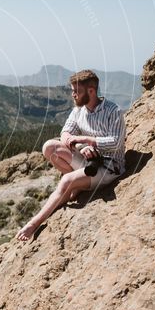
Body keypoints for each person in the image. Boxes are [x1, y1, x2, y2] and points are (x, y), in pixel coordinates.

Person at [15, 69, 126, 241]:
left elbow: (117, 142)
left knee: (66, 181)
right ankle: (76, 185)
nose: (73, 94)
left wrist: (88, 140)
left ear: (91, 91)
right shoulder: (78, 111)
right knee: (49, 147)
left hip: (109, 166)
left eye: (77, 91)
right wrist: (81, 146)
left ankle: (34, 223)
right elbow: (65, 133)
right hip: (88, 162)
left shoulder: (113, 111)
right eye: (72, 90)